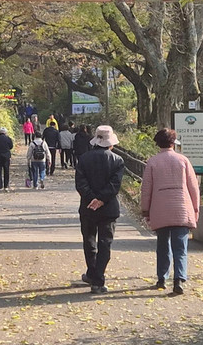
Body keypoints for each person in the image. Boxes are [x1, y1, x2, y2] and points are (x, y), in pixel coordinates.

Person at [140, 128, 200, 294]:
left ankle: (161, 278)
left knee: (163, 245)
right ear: (174, 143)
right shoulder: (183, 160)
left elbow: (146, 188)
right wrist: (196, 208)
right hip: (181, 208)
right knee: (180, 247)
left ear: (158, 143)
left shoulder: (152, 162)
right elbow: (193, 187)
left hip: (160, 208)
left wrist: (145, 210)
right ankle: (179, 278)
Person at [74, 125, 125, 294]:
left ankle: (92, 272)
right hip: (108, 208)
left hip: (88, 207)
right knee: (105, 244)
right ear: (111, 143)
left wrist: (92, 198)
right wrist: (102, 199)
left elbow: (80, 183)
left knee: (89, 241)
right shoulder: (117, 160)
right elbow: (114, 185)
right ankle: (98, 278)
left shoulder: (84, 158)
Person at [0, 127, 14, 191]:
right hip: (6, 156)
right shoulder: (8, 139)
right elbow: (11, 146)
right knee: (6, 170)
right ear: (5, 133)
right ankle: (6, 186)